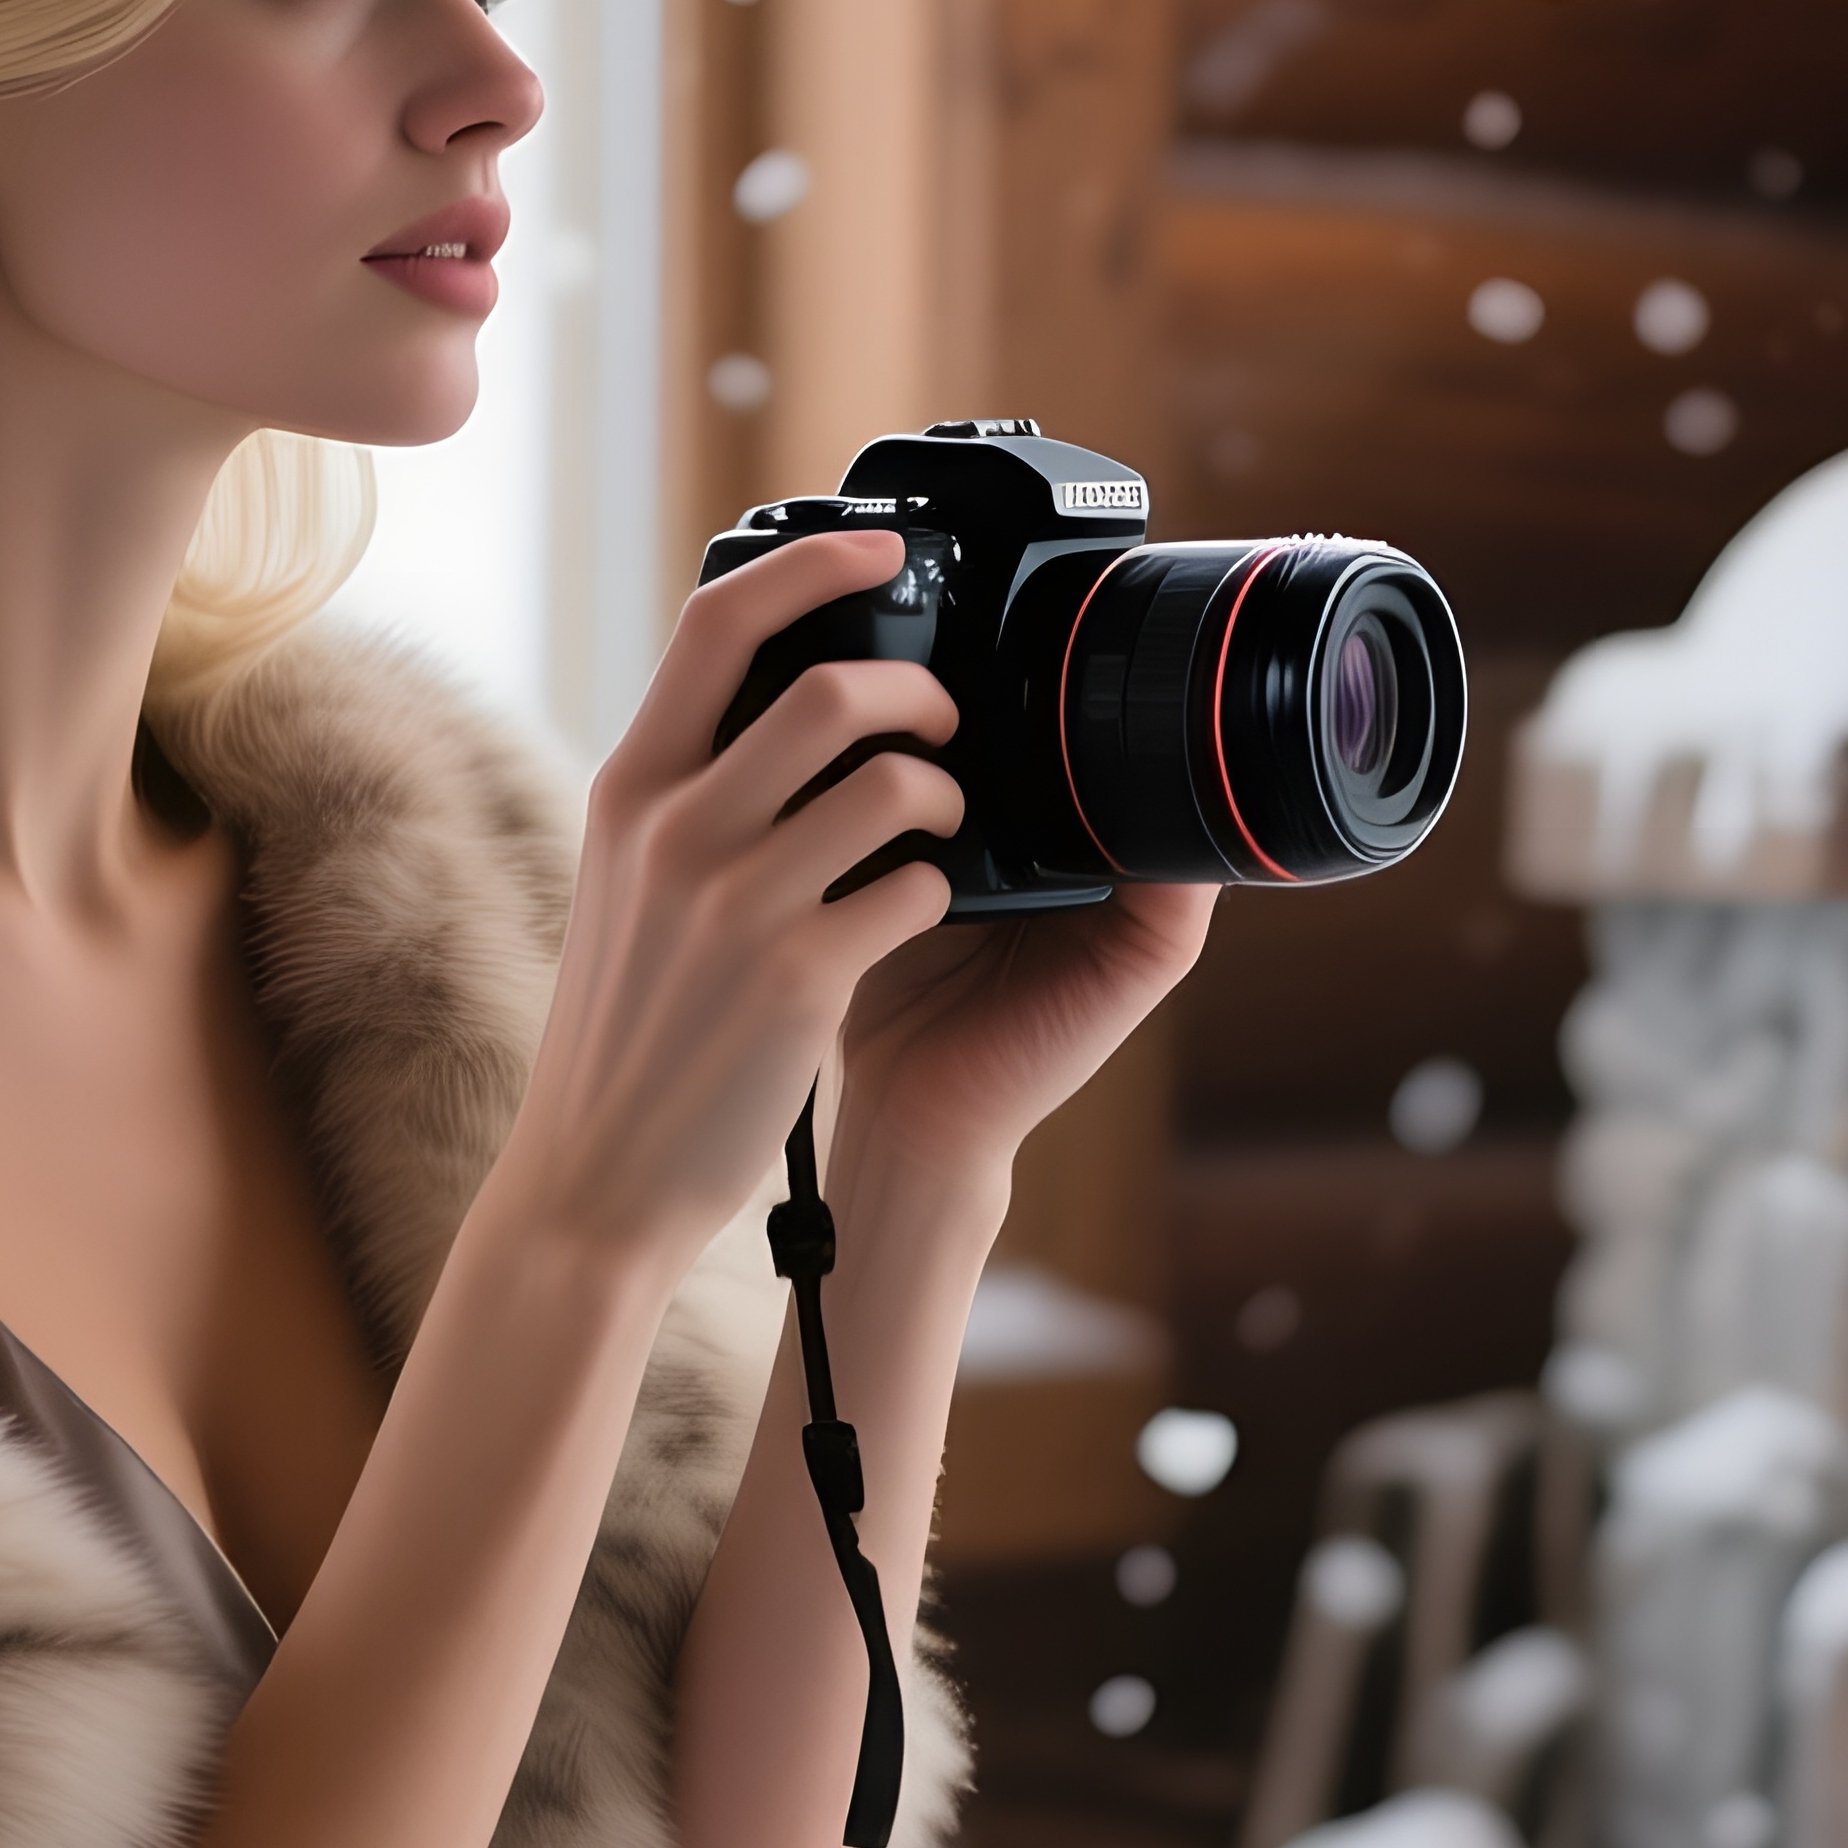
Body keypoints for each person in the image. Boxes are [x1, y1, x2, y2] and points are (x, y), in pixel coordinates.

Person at [0, 2, 1221, 1843]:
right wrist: (577, 1216)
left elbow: (731, 1823)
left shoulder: (436, 896)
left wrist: (913, 1154)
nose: (501, 80)